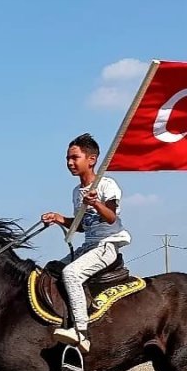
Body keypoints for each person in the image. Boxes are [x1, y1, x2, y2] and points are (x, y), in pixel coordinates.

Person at [40, 133, 131, 353]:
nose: (70, 163)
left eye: (75, 157)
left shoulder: (107, 185)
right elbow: (82, 225)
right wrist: (59, 218)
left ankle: (81, 333)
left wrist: (96, 203)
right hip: (88, 246)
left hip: (106, 245)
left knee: (71, 274)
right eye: (67, 159)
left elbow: (111, 217)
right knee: (49, 271)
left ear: (91, 159)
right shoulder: (76, 191)